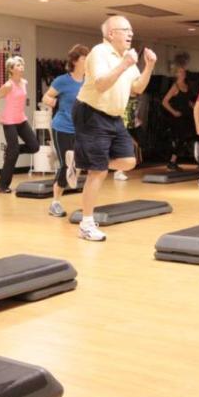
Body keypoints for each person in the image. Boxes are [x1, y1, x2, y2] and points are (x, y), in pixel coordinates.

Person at [68, 15, 156, 242]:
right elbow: (100, 83)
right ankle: (86, 225)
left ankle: (82, 161)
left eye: (131, 30)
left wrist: (149, 66)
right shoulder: (100, 52)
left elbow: (137, 88)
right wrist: (125, 64)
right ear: (110, 34)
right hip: (91, 113)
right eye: (125, 30)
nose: (130, 34)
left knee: (129, 161)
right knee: (98, 171)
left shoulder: (125, 57)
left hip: (113, 117)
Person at [41, 44, 88, 217]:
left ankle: (64, 167)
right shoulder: (63, 80)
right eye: (84, 57)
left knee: (76, 164)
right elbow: (46, 96)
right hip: (62, 127)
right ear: (75, 61)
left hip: (80, 129)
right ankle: (55, 203)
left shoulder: (88, 81)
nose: (87, 60)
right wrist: (51, 102)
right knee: (66, 164)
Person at [0, 56, 40, 193]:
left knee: (34, 146)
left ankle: (11, 149)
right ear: (11, 69)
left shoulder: (24, 82)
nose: (21, 67)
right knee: (13, 154)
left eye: (22, 65)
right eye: (18, 65)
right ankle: (2, 186)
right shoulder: (8, 85)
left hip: (21, 119)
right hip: (9, 121)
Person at [161, 61, 195, 171]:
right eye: (180, 72)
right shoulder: (175, 87)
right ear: (177, 74)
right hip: (178, 118)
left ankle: (174, 161)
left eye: (183, 71)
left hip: (187, 116)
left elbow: (188, 101)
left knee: (186, 138)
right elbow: (165, 102)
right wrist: (174, 112)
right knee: (182, 137)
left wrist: (195, 106)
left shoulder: (187, 86)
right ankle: (172, 161)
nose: (182, 73)